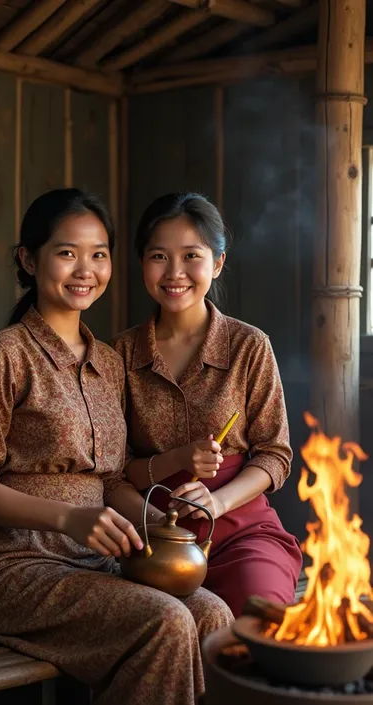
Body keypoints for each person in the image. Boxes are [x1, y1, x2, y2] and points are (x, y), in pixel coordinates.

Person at [0, 188, 233, 705]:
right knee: (165, 623)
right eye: (67, 253)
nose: (85, 269)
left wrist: (155, 523)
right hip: (15, 566)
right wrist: (66, 518)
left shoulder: (109, 363)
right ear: (28, 260)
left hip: (98, 563)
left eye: (99, 254)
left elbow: (109, 483)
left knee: (213, 614)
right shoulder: (2, 355)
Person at [112, 192, 303, 618]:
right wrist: (172, 466)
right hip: (150, 536)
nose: (174, 272)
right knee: (160, 629)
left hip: (240, 532)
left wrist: (215, 504)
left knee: (257, 619)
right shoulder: (119, 355)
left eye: (191, 256)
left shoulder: (248, 346)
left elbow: (275, 456)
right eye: (159, 256)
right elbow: (113, 470)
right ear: (142, 262)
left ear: (216, 263)